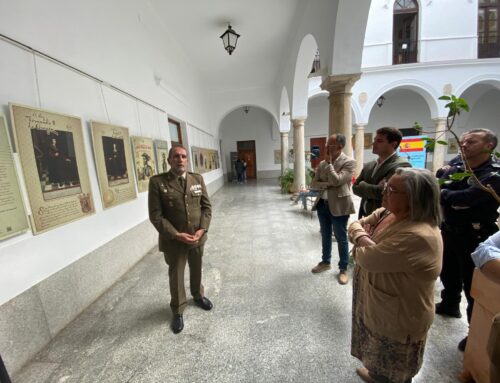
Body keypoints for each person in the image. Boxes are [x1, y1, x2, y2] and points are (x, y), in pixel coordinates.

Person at [348, 168, 443, 383]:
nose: (384, 192)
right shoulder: (388, 213)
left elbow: (365, 258)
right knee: (377, 355)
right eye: (386, 186)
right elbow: (356, 223)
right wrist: (363, 238)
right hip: (381, 304)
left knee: (396, 370)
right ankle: (375, 375)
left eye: (392, 189)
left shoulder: (419, 234)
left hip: (399, 315)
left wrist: (359, 242)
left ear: (414, 197)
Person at [435, 128, 500, 351]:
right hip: (450, 229)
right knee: (448, 271)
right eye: (462, 141)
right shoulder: (458, 163)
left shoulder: (494, 173)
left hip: (476, 235)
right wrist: (449, 193)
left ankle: (475, 332)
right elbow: (440, 181)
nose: (464, 145)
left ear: (488, 145)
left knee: (474, 285)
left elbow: (469, 197)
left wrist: (447, 193)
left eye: (471, 142)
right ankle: (449, 303)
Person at [148, 145, 213, 334]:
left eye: (184, 156)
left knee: (196, 268)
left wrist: (202, 229)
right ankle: (177, 309)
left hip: (197, 237)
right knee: (176, 274)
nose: (180, 159)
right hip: (174, 241)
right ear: (169, 160)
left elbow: (206, 208)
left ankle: (198, 296)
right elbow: (156, 216)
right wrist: (176, 234)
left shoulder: (197, 179)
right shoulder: (157, 183)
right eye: (176, 156)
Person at [310, 134, 356, 285]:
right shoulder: (322, 164)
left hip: (340, 205)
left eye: (329, 145)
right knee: (325, 235)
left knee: (341, 237)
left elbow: (337, 180)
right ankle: (325, 262)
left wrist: (329, 166)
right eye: (326, 145)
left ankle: (343, 269)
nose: (326, 148)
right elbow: (314, 183)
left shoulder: (349, 162)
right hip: (323, 204)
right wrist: (327, 184)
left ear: (339, 147)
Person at [353, 127, 411, 218]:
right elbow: (355, 188)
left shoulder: (401, 166)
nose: (373, 143)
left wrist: (363, 185)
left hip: (384, 218)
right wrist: (376, 188)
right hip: (365, 216)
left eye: (379, 141)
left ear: (393, 144)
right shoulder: (369, 165)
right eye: (374, 140)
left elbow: (384, 193)